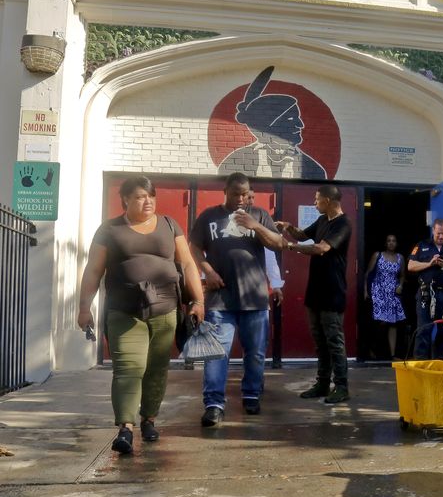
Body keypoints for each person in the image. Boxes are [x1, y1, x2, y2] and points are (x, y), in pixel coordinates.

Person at [78, 176, 205, 454]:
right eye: (139, 197)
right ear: (124, 199)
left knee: (156, 370)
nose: (147, 201)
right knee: (128, 369)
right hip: (124, 310)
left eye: (150, 196)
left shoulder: (170, 225)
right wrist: (84, 306)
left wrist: (197, 299)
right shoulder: (109, 230)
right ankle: (125, 427)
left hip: (165, 310)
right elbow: (93, 270)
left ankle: (149, 420)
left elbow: (187, 263)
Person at [189, 173, 285, 426]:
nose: (240, 199)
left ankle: (252, 395)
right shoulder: (209, 216)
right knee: (217, 354)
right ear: (226, 191)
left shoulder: (260, 215)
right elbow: (194, 246)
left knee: (255, 353)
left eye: (244, 194)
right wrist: (207, 271)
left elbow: (279, 244)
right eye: (235, 194)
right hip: (221, 299)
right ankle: (214, 404)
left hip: (255, 299)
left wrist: (256, 225)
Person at [276, 185, 353, 403]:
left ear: (328, 200)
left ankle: (341, 387)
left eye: (317, 199)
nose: (314, 202)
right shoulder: (322, 221)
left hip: (332, 292)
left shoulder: (343, 224)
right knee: (320, 342)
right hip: (315, 292)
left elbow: (321, 248)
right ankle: (322, 383)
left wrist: (289, 247)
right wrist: (288, 227)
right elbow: (303, 235)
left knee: (334, 341)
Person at [218, 66, 327, 179]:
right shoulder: (235, 162)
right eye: (290, 119)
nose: (300, 124)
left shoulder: (314, 170)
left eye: (298, 118)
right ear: (267, 126)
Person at [246, 190, 285, 368]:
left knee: (256, 345)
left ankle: (255, 384)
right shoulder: (223, 218)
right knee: (222, 345)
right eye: (248, 196)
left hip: (255, 294)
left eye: (253, 197)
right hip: (226, 294)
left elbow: (270, 256)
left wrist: (276, 284)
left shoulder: (261, 222)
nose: (251, 200)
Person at [408, 219, 443, 359]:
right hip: (426, 293)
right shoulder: (422, 245)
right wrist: (429, 263)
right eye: (438, 234)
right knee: (424, 329)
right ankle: (420, 364)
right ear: (433, 231)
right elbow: (410, 266)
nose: (441, 237)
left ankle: (438, 362)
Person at [365, 234, 407, 358]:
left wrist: (401, 285)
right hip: (378, 291)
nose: (391, 243)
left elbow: (402, 275)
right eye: (388, 241)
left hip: (392, 293)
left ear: (397, 243)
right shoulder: (378, 255)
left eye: (394, 241)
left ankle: (392, 354)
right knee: (380, 322)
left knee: (393, 323)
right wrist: (365, 291)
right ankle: (374, 350)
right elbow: (367, 274)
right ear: (385, 243)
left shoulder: (400, 258)